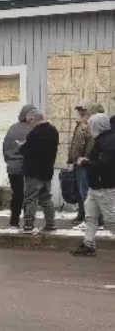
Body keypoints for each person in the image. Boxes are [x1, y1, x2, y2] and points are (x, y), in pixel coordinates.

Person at [72, 114, 115, 256]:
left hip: (105, 186)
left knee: (111, 219)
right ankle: (88, 245)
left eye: (91, 125)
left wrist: (86, 162)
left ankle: (89, 245)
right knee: (90, 216)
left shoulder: (108, 142)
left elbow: (106, 164)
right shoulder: (101, 140)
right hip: (95, 185)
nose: (89, 128)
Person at [19, 109, 59, 233]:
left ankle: (28, 225)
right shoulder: (53, 131)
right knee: (46, 198)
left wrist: (21, 146)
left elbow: (25, 150)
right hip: (47, 170)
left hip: (33, 171)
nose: (29, 124)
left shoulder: (34, 133)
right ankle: (50, 224)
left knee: (31, 199)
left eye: (29, 122)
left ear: (33, 120)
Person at [68, 101, 106, 225]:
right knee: (81, 191)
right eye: (79, 110)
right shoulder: (82, 125)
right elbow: (75, 144)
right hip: (80, 162)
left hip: (84, 163)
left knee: (85, 191)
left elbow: (82, 145)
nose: (80, 112)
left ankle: (92, 218)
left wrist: (81, 158)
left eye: (82, 110)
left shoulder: (89, 125)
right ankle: (83, 215)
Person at [2, 104, 36, 229]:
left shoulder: (12, 128)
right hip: (28, 167)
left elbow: (5, 147)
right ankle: (28, 222)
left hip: (13, 167)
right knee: (29, 196)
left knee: (16, 194)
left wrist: (9, 161)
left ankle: (14, 221)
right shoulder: (34, 129)